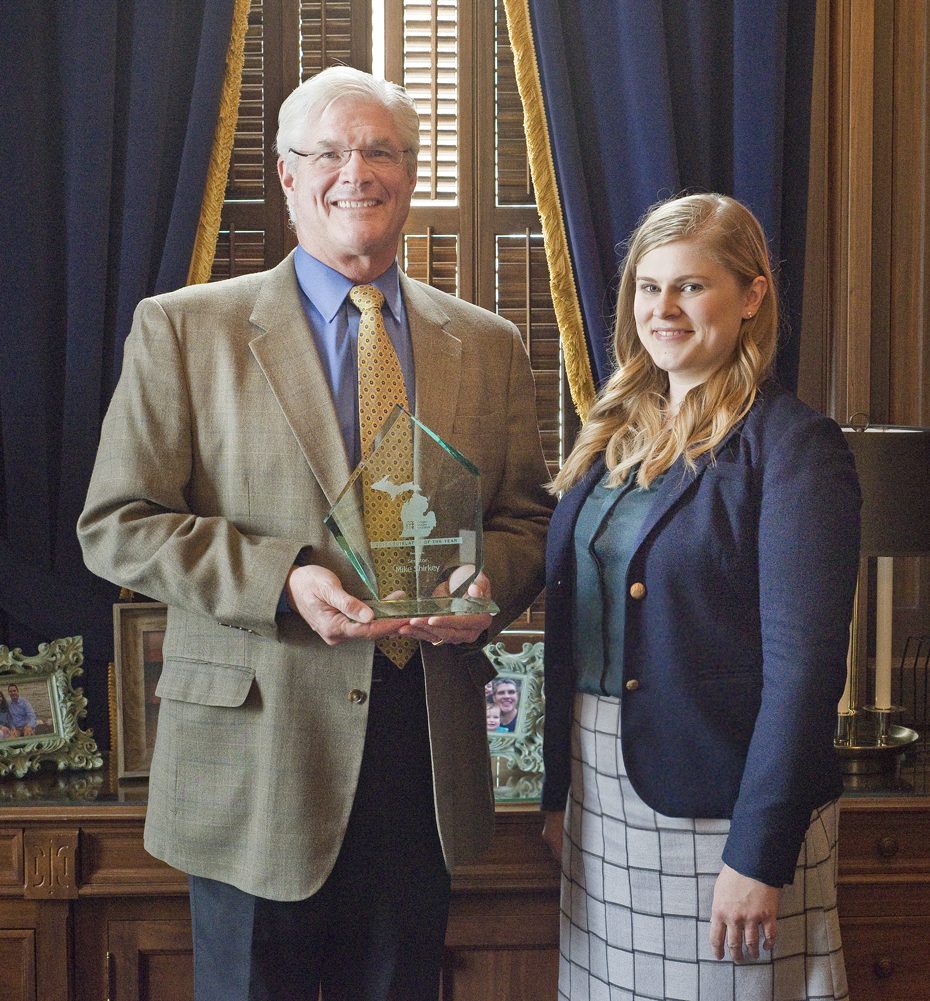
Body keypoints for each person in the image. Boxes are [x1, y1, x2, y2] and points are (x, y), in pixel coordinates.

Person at [78, 66, 552, 1001]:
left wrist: (485, 582)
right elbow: (116, 524)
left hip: (420, 760)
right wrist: (282, 578)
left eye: (381, 150)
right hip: (257, 758)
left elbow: (527, 519)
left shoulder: (489, 342)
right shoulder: (184, 330)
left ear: (411, 176)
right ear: (289, 178)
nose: (356, 171)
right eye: (329, 151)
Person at [540, 193, 860, 1001]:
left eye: (690, 286)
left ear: (751, 296)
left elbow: (806, 671)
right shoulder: (614, 434)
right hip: (602, 786)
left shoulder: (793, 448)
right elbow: (576, 619)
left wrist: (759, 851)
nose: (663, 308)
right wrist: (558, 789)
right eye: (649, 288)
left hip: (725, 809)